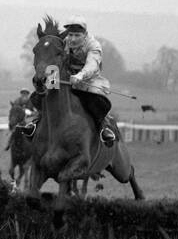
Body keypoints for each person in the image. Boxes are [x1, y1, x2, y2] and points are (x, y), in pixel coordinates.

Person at [23, 16, 117, 146]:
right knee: (39, 95)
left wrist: (80, 75)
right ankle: (37, 120)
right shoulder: (63, 42)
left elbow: (92, 65)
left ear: (84, 34)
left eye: (77, 35)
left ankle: (104, 127)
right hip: (66, 76)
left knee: (97, 99)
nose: (72, 39)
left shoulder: (93, 46)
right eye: (70, 35)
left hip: (89, 79)